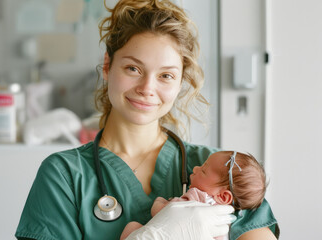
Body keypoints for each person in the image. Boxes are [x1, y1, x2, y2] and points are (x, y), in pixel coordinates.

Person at [15, 0, 279, 239]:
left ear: (180, 82)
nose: (147, 88)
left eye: (166, 75)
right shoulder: (64, 177)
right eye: (133, 68)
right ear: (107, 65)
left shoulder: (222, 172)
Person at [120, 151, 268, 240]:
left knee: (132, 227)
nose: (196, 168)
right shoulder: (227, 219)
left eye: (203, 170)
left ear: (223, 197)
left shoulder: (198, 197)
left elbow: (162, 212)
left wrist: (159, 203)